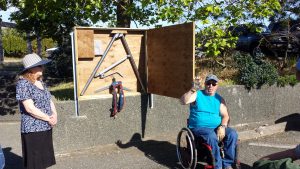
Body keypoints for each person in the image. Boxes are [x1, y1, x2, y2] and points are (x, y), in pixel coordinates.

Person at [180, 74, 238, 169]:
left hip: (216, 127)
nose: (210, 86)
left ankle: (227, 164)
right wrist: (192, 89)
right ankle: (217, 166)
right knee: (211, 136)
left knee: (232, 134)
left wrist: (223, 126)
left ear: (217, 86)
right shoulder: (197, 94)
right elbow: (183, 101)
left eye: (213, 84)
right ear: (205, 84)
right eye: (208, 83)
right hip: (198, 128)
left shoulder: (219, 99)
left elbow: (225, 115)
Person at [16, 53, 58, 169]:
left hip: (45, 126)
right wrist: (48, 118)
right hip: (33, 129)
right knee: (35, 163)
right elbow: (29, 108)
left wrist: (54, 115)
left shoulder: (41, 82)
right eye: (39, 66)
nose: (42, 68)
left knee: (43, 160)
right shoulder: (23, 84)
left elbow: (49, 100)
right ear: (31, 69)